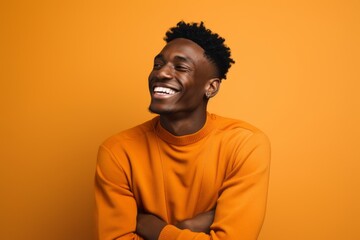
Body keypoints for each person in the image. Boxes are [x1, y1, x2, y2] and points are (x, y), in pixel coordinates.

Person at [95, 21, 271, 240]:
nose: (161, 73)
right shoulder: (117, 151)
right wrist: (192, 228)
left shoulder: (245, 144)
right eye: (158, 65)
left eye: (180, 67)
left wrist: (157, 230)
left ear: (211, 87)